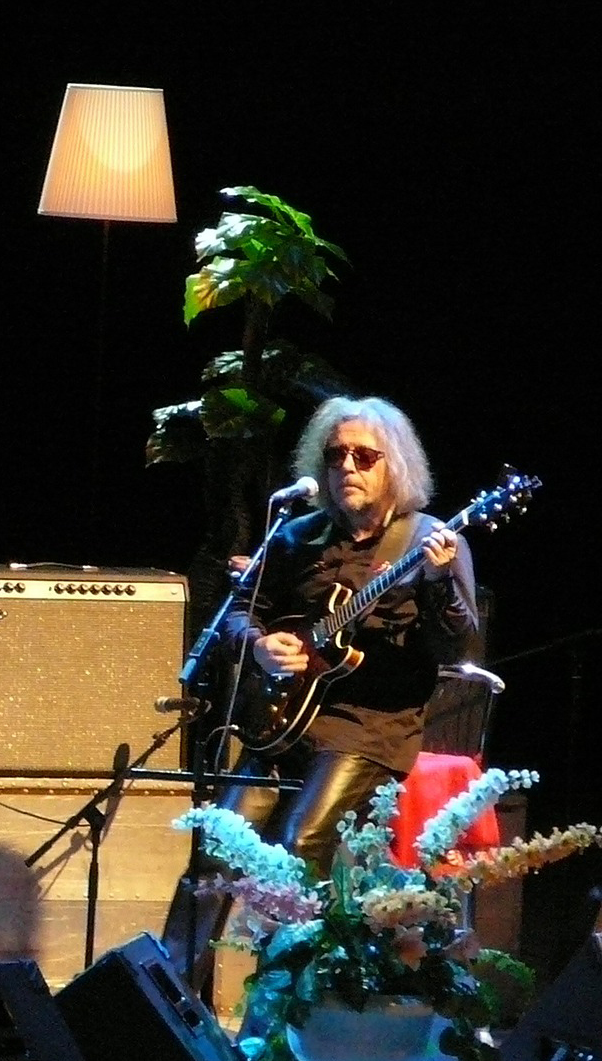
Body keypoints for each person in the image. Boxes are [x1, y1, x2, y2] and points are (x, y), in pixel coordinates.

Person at [163, 395, 480, 1002]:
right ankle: (171, 999)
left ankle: (283, 1009)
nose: (347, 468)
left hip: (369, 727)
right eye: (336, 455)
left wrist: (439, 582)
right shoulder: (296, 536)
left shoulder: (429, 541)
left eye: (365, 456)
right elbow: (239, 612)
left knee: (299, 846)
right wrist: (258, 645)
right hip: (282, 721)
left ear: (396, 465)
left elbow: (456, 645)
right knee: (215, 849)